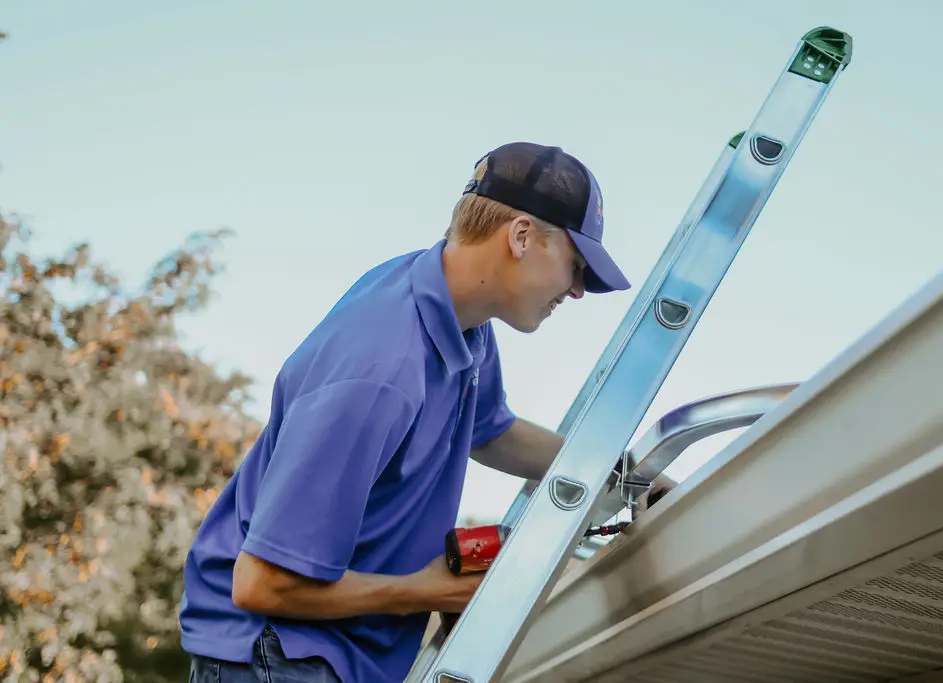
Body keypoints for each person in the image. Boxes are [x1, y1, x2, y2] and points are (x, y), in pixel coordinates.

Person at [178, 141, 676, 683]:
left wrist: (632, 477)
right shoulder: (379, 369)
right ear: (522, 236)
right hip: (277, 656)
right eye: (576, 266)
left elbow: (494, 434)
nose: (578, 291)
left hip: (328, 650)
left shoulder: (462, 318)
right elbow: (261, 583)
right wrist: (427, 589)